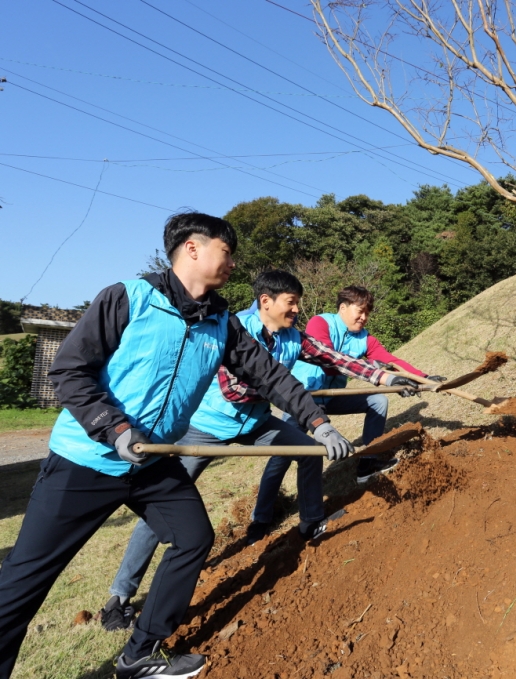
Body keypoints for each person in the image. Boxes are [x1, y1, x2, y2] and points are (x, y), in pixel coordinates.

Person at [0, 213, 348, 679]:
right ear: (192, 249)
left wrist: (317, 422)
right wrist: (115, 428)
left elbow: (269, 375)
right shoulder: (128, 298)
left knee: (193, 538)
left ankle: (140, 652)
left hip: (153, 462)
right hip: (87, 461)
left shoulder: (221, 322)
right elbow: (68, 371)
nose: (232, 263)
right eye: (227, 252)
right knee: (27, 578)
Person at [96, 270, 418, 635]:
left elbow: (335, 358)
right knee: (163, 503)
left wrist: (387, 378)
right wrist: (284, 390)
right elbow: (234, 389)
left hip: (256, 424)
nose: (297, 310)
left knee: (309, 449)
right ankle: (120, 596)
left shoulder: (294, 338)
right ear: (267, 302)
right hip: (206, 428)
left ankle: (311, 523)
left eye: (297, 303)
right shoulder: (236, 330)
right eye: (291, 303)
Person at [287, 285, 445, 484]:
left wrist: (424, 377)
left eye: (367, 313)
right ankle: (263, 510)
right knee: (284, 453)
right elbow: (328, 364)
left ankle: (367, 465)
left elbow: (389, 360)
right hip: (305, 398)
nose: (364, 317)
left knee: (377, 401)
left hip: (333, 396)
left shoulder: (364, 338)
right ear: (343, 307)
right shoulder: (320, 323)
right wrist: (371, 366)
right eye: (360, 311)